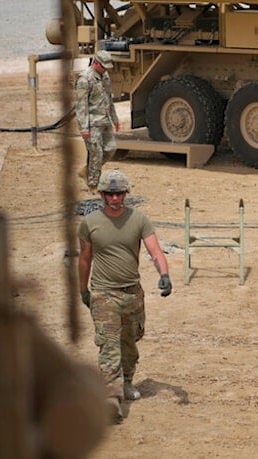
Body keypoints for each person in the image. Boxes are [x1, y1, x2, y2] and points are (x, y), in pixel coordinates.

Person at [78, 169, 172, 424]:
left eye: (120, 194)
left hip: (132, 293)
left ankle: (127, 382)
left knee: (130, 342)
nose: (116, 199)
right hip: (103, 294)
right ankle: (112, 398)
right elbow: (85, 259)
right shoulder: (90, 223)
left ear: (126, 194)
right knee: (109, 346)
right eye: (111, 194)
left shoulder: (139, 220)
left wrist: (164, 274)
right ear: (102, 195)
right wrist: (83, 289)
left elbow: (155, 251)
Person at [75, 49, 120, 193]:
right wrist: (84, 128)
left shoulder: (105, 76)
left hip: (105, 119)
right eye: (103, 65)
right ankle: (93, 184)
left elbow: (109, 99)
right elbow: (81, 106)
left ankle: (86, 170)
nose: (105, 68)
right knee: (96, 153)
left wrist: (115, 119)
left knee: (110, 149)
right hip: (92, 122)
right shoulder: (85, 79)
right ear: (96, 63)